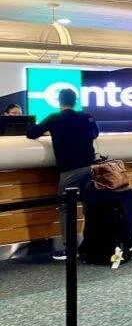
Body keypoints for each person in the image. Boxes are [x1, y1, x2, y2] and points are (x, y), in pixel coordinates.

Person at [26, 88, 99, 261]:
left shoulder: (55, 118)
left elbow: (31, 133)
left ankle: (70, 249)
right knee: (89, 207)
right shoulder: (86, 116)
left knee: (66, 208)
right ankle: (90, 245)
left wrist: (50, 131)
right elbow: (95, 133)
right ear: (75, 101)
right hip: (90, 167)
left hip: (70, 170)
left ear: (59, 101)